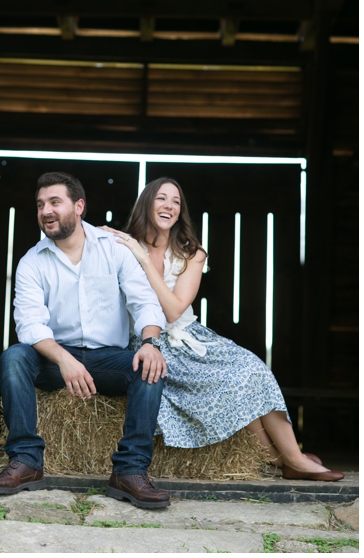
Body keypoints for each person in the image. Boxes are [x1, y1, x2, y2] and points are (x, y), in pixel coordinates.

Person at [102, 177, 343, 481]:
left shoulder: (192, 252)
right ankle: (285, 460)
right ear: (146, 203)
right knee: (232, 383)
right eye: (161, 198)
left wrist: (144, 260)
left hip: (189, 337)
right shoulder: (120, 246)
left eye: (176, 201)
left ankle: (291, 457)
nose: (169, 206)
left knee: (252, 371)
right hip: (149, 343)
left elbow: (175, 309)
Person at [0, 172, 172, 509]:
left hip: (109, 359)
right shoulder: (31, 262)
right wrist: (64, 359)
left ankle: (129, 471)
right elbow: (29, 325)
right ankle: (27, 462)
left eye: (55, 202)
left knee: (150, 367)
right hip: (56, 360)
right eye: (41, 205)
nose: (46, 211)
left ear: (79, 206)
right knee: (14, 357)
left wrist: (150, 343)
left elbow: (144, 302)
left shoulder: (114, 250)